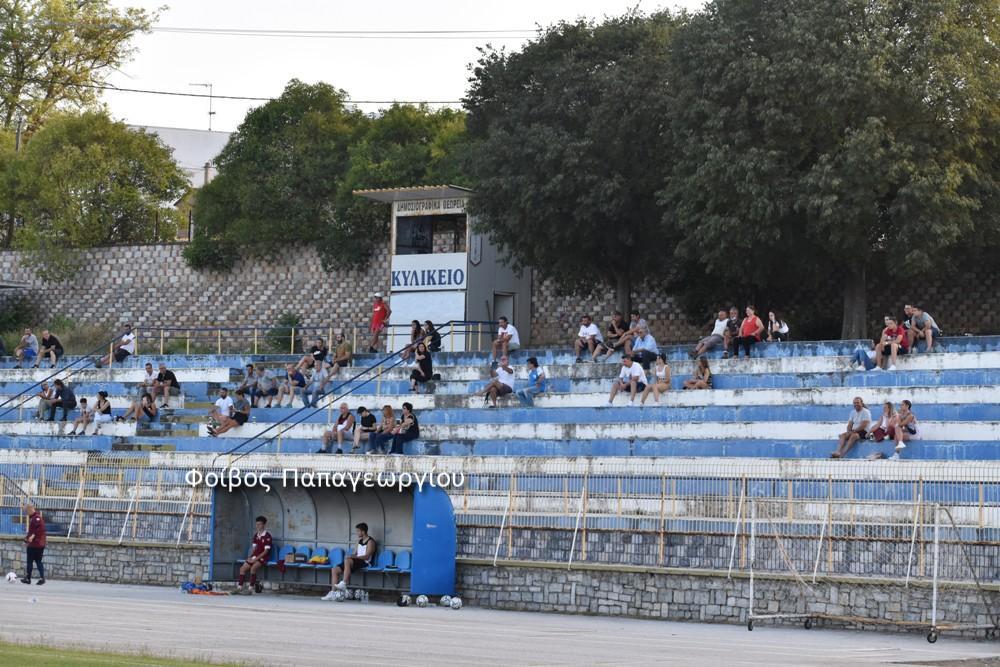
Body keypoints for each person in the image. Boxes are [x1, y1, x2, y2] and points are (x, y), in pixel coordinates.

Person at [323, 522, 375, 598]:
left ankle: (344, 583)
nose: (357, 533)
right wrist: (351, 556)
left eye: (358, 531)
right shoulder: (358, 541)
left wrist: (353, 557)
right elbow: (355, 553)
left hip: (365, 562)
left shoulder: (371, 542)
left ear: (363, 531)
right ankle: (332, 593)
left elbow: (367, 557)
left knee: (347, 560)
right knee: (334, 569)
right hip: (356, 561)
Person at [231, 516, 272, 595]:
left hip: (263, 557)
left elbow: (266, 551)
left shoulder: (267, 536)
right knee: (242, 568)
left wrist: (255, 559)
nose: (258, 526)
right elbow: (254, 548)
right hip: (255, 556)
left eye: (259, 524)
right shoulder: (256, 535)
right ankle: (239, 588)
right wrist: (250, 557)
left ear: (264, 525)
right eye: (257, 524)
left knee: (253, 568)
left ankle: (250, 589)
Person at [20, 503, 46, 585]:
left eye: (26, 511)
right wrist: (25, 540)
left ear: (30, 509)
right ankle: (41, 578)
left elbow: (38, 530)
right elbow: (30, 532)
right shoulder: (34, 518)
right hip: (39, 544)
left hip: (35, 544)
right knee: (38, 561)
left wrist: (32, 537)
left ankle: (28, 578)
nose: (26, 514)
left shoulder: (36, 518)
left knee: (30, 561)